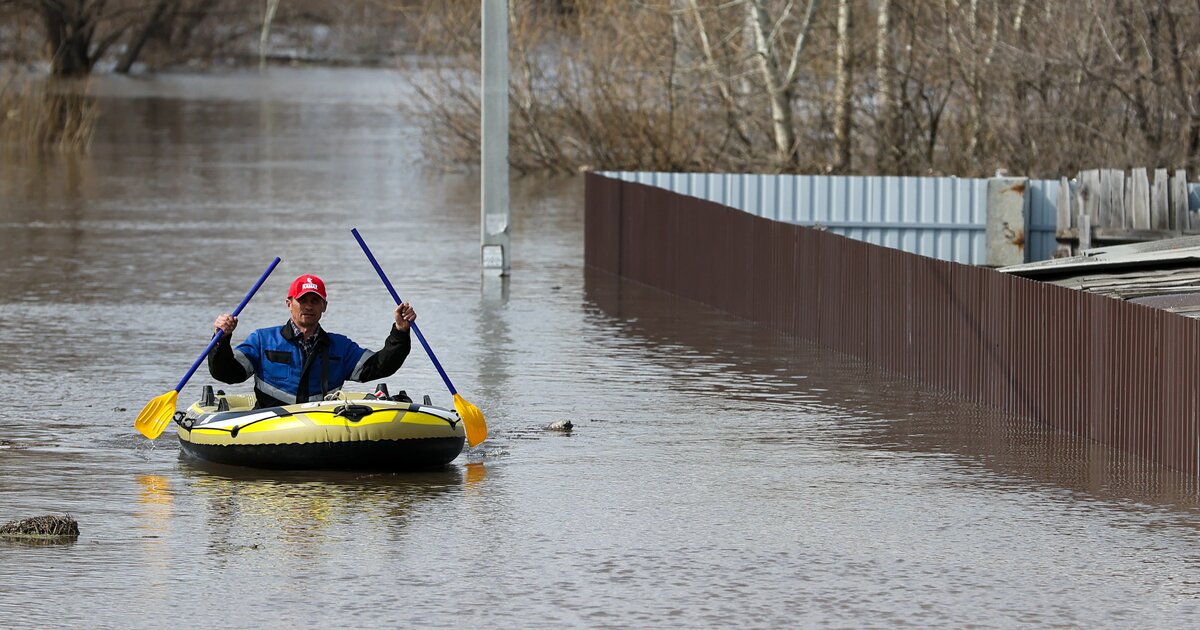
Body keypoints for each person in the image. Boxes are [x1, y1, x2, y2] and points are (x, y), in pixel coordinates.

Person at [208, 273, 416, 408]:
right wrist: (222, 339)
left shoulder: (340, 346)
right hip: (267, 428)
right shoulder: (262, 340)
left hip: (324, 429)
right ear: (289, 304)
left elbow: (380, 366)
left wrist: (400, 330)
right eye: (302, 300)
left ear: (324, 306)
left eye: (315, 300)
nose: (308, 306)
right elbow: (227, 373)